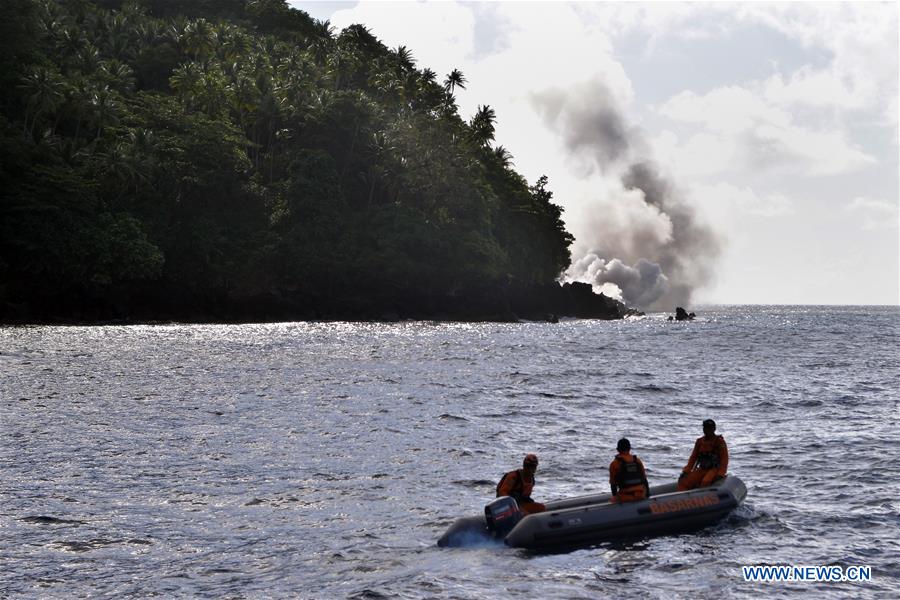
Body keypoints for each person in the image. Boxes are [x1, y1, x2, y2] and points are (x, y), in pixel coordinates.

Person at [677, 419, 728, 491]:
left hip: (714, 469)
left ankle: (703, 499)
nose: (707, 430)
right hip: (702, 469)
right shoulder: (699, 442)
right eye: (705, 428)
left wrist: (721, 473)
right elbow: (693, 457)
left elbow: (724, 459)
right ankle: (682, 499)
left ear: (714, 429)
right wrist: (686, 471)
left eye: (709, 428)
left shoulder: (719, 442)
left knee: (705, 481)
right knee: (684, 482)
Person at [609, 438, 650, 503]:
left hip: (625, 497)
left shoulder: (614, 464)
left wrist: (615, 496)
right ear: (629, 448)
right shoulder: (637, 461)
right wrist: (647, 496)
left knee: (612, 500)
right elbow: (645, 480)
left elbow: (613, 485)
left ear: (618, 450)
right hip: (641, 495)